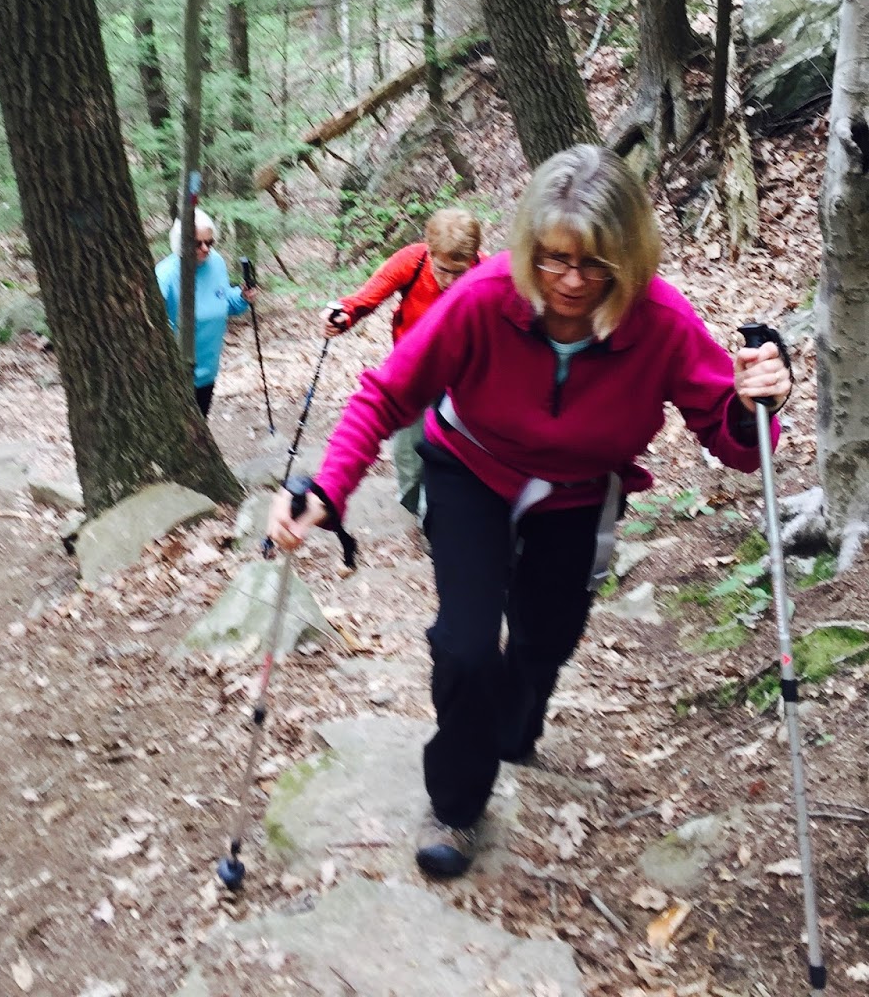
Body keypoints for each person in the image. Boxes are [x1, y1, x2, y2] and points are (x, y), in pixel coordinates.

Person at [269, 145, 790, 879]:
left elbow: (736, 444)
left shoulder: (662, 321)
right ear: (528, 249)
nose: (571, 282)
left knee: (546, 640)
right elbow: (386, 393)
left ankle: (513, 734)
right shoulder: (485, 297)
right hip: (472, 470)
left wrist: (760, 406)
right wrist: (328, 489)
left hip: (578, 492)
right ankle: (455, 804)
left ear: (629, 256)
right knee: (466, 643)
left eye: (595, 263)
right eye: (552, 259)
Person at [324, 208, 485, 514]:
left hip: (462, 382)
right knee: (408, 456)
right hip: (415, 374)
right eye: (443, 270)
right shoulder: (413, 260)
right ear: (431, 251)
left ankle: (439, 520)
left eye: (458, 272)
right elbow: (366, 298)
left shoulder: (486, 272)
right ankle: (418, 507)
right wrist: (342, 315)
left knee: (454, 456)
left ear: (473, 259)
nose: (450, 281)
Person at [156, 209, 256, 416]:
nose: (205, 249)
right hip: (178, 376)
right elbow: (155, 327)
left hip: (208, 372)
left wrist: (242, 297)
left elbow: (222, 300)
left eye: (209, 243)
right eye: (197, 243)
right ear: (180, 243)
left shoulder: (216, 263)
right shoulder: (165, 276)